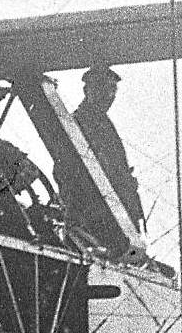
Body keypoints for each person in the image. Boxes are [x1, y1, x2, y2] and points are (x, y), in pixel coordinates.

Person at [57, 65, 146, 258]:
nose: (109, 95)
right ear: (87, 90)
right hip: (94, 214)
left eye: (112, 90)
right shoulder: (78, 123)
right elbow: (64, 170)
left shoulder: (104, 124)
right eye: (103, 88)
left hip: (115, 213)